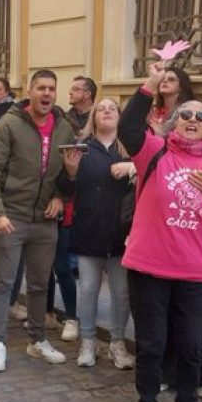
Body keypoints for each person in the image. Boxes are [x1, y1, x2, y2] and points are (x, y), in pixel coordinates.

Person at [118, 63, 202, 402]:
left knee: (191, 346)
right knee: (152, 344)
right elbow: (127, 129)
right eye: (184, 115)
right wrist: (150, 85)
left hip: (193, 271)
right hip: (149, 266)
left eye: (200, 116)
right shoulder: (153, 152)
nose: (191, 119)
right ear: (172, 123)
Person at [0, 69, 81, 373]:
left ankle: (36, 340)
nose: (46, 94)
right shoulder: (9, 125)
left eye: (51, 89)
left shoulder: (64, 129)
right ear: (31, 91)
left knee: (39, 284)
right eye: (41, 88)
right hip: (11, 216)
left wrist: (63, 192)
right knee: (4, 282)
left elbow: (65, 178)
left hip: (44, 221)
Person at [70, 97, 135, 368]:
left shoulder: (130, 148)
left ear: (119, 117)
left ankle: (117, 343)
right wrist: (71, 172)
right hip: (89, 229)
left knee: (121, 292)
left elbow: (152, 173)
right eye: (101, 109)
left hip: (122, 232)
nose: (107, 112)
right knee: (87, 289)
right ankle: (87, 341)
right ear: (93, 117)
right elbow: (64, 186)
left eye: (112, 109)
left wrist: (133, 167)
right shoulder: (82, 148)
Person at [148, 66, 195, 133]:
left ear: (181, 86)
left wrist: (160, 132)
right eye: (162, 79)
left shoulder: (187, 112)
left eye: (171, 79)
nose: (165, 81)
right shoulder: (151, 110)